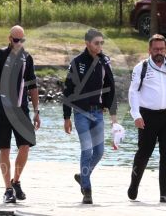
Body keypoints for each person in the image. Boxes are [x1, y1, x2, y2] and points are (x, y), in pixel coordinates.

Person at [0, 25, 40, 203]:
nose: (19, 43)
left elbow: (33, 86)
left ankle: (16, 181)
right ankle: (8, 189)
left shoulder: (27, 58)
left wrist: (36, 111)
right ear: (9, 39)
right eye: (16, 40)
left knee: (26, 145)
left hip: (21, 109)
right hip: (2, 111)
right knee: (5, 148)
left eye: (22, 40)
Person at [63, 29, 118, 204]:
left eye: (102, 43)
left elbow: (111, 88)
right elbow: (68, 90)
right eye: (96, 43)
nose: (100, 46)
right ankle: (87, 190)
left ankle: (82, 175)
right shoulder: (77, 62)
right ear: (87, 43)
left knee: (99, 152)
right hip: (80, 113)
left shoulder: (104, 61)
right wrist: (66, 117)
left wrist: (113, 117)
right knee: (87, 150)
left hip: (98, 113)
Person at [127, 34, 166, 203]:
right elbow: (133, 92)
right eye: (156, 49)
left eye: (162, 49)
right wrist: (136, 115)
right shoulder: (141, 67)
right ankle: (134, 185)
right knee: (144, 153)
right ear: (149, 50)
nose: (159, 52)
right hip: (147, 116)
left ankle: (165, 193)